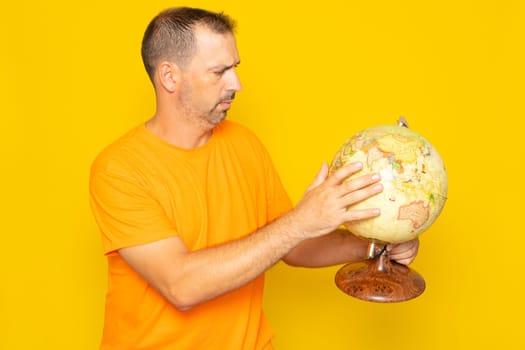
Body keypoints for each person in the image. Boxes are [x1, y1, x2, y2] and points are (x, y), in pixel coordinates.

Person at [89, 6, 419, 350]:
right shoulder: (119, 169)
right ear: (170, 77)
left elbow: (292, 245)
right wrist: (302, 221)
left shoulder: (243, 142)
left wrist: (377, 245)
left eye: (235, 68)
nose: (237, 84)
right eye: (220, 71)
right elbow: (181, 285)